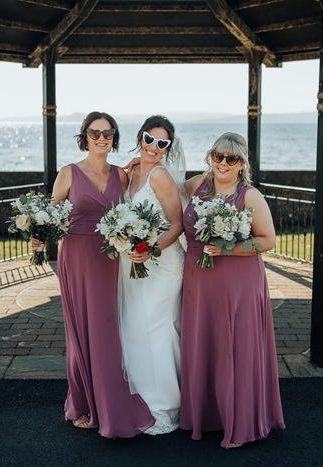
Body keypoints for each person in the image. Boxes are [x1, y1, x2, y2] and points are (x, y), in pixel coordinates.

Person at [32, 111, 154, 437]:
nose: (102, 138)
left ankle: (109, 401)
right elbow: (49, 213)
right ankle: (81, 403)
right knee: (80, 329)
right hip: (76, 258)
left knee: (107, 329)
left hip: (110, 258)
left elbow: (133, 210)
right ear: (84, 135)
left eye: (108, 132)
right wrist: (37, 235)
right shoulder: (68, 173)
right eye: (95, 132)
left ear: (115, 137)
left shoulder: (122, 175)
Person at [179, 132, 285, 449]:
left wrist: (229, 249)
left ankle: (240, 422)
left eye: (231, 158)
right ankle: (207, 415)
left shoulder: (249, 196)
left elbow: (267, 240)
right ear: (210, 157)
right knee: (204, 343)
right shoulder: (195, 185)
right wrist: (136, 167)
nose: (223, 163)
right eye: (218, 156)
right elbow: (161, 186)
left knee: (235, 346)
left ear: (242, 163)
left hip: (239, 278)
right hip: (199, 277)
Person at [117, 115, 185, 435]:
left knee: (157, 330)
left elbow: (177, 224)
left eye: (162, 143)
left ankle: (166, 405)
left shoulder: (160, 176)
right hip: (134, 264)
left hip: (163, 264)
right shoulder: (131, 173)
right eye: (149, 138)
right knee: (133, 328)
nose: (153, 147)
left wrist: (150, 250)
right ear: (140, 137)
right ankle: (141, 398)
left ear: (168, 148)